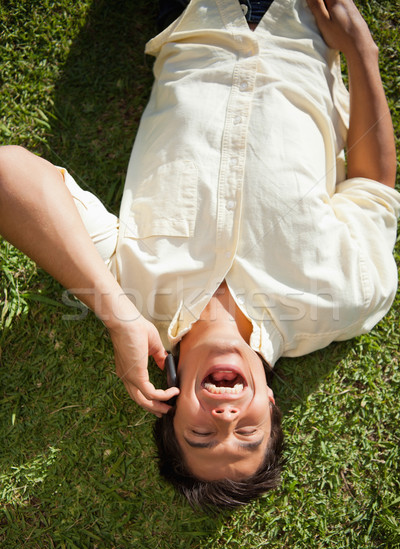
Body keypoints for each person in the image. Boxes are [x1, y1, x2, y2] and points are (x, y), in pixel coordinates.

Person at [0, 0, 398, 509]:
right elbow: (373, 185)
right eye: (249, 435)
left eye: (202, 437)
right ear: (271, 404)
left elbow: (11, 178)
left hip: (194, 16)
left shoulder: (131, 292)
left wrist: (118, 317)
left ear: (170, 408)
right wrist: (362, 49)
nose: (227, 421)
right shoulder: (346, 302)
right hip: (307, 25)